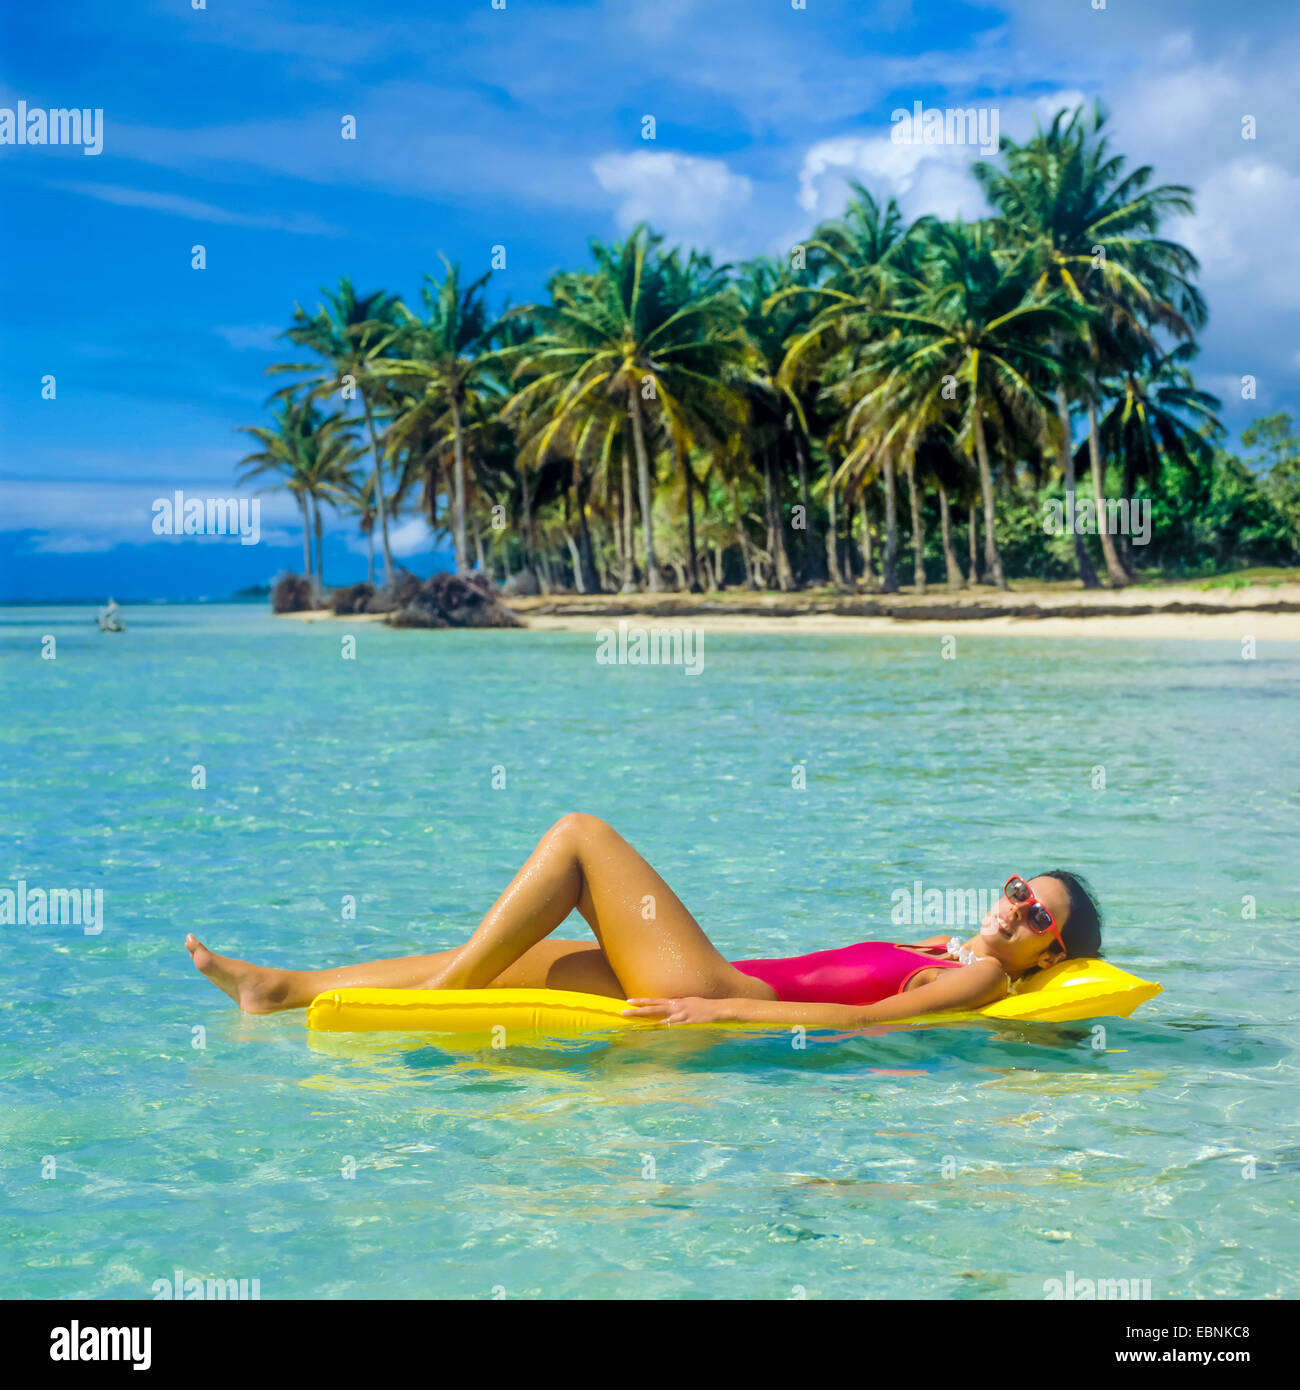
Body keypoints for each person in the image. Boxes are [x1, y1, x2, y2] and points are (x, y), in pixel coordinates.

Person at [187, 813, 1103, 1027]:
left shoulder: (984, 978)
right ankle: (282, 990)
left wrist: (720, 1010)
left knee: (580, 839)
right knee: (526, 955)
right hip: (710, 976)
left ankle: (431, 1005)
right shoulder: (943, 949)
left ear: (1049, 953)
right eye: (1017, 889)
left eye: (1038, 917)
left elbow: (866, 1024)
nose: (1016, 907)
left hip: (715, 989)